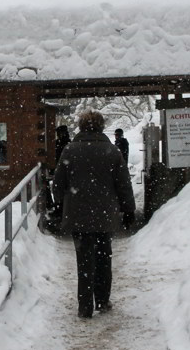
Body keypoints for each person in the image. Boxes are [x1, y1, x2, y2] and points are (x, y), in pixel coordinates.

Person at [53, 110, 135, 319]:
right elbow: (123, 183)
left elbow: (58, 182)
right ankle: (102, 300)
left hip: (78, 215)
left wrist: (59, 205)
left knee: (84, 261)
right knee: (103, 259)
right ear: (100, 126)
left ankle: (84, 306)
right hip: (104, 216)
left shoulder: (69, 150)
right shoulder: (112, 151)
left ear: (81, 126)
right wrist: (128, 210)